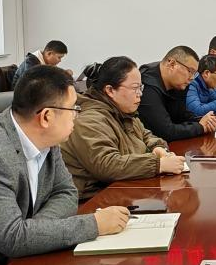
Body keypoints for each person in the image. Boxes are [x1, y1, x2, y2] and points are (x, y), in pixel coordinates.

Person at [0, 66, 131, 265]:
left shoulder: (47, 140)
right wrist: (94, 225)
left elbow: (66, 192)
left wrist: (33, 231)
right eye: (73, 109)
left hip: (23, 262)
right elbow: (13, 238)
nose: (76, 116)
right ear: (46, 116)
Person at [61, 56, 187, 200]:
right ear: (110, 90)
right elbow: (107, 165)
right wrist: (158, 165)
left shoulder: (123, 111)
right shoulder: (89, 120)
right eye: (134, 88)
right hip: (94, 199)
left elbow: (146, 135)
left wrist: (157, 148)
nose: (140, 94)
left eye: (141, 87)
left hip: (121, 189)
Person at [138, 46, 216, 142]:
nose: (192, 78)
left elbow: (181, 116)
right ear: (172, 64)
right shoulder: (147, 86)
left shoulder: (179, 84)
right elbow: (165, 132)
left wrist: (204, 121)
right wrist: (200, 127)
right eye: (190, 71)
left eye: (195, 74)